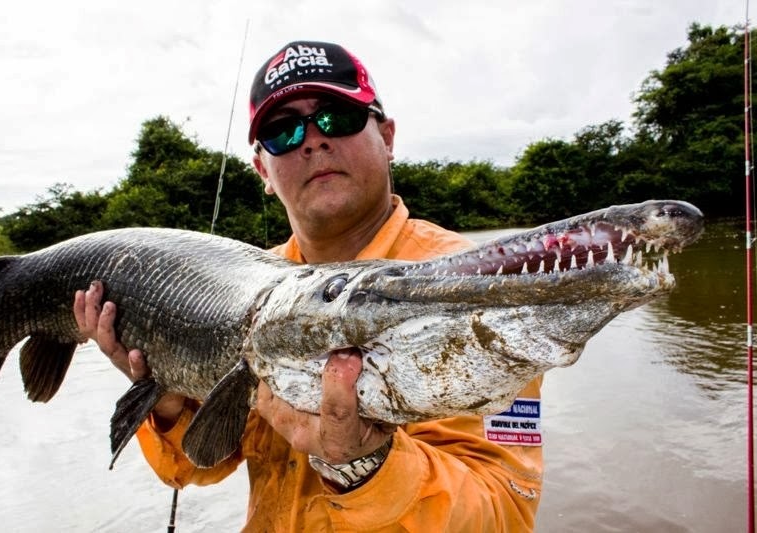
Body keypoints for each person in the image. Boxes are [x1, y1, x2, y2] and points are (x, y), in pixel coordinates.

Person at [74, 40, 543, 531]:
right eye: (283, 131)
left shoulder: (475, 284)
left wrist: (366, 465)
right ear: (263, 171)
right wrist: (166, 395)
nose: (312, 140)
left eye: (336, 116)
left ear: (387, 137)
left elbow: (503, 512)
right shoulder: (246, 281)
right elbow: (199, 463)